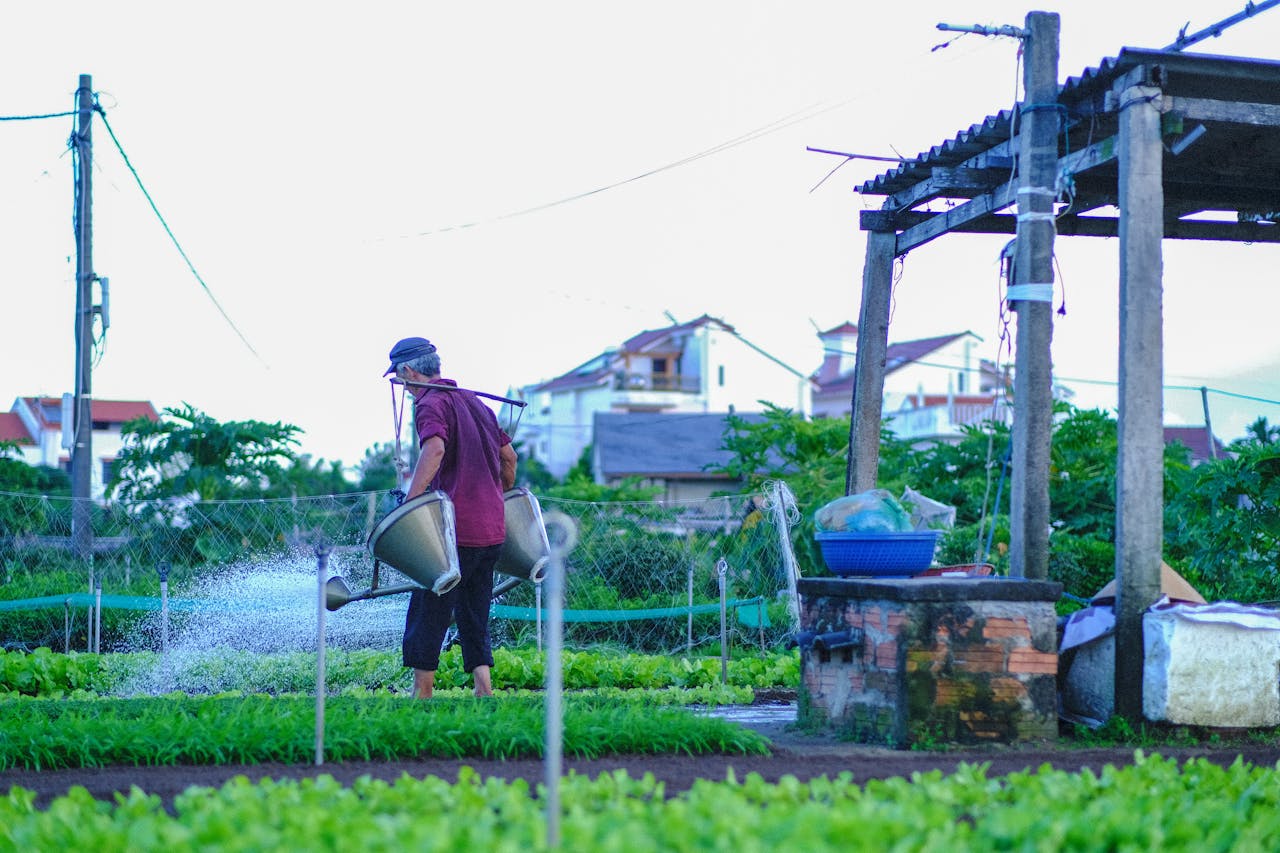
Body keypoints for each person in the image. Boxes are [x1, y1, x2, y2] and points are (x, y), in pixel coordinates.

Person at [383, 336, 517, 698]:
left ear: (409, 372)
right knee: (475, 613)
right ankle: (484, 691)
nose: (405, 390)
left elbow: (436, 447)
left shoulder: (430, 403)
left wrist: (410, 506)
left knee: (428, 610)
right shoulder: (475, 402)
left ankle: (422, 696)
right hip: (491, 530)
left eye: (400, 380)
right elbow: (509, 459)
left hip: (452, 532)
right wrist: (493, 497)